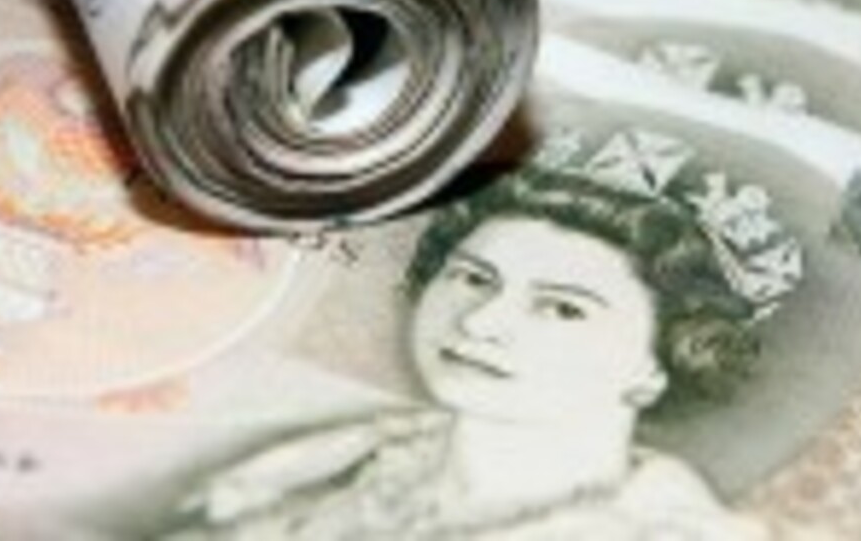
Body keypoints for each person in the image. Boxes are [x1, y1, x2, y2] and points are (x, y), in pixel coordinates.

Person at [165, 163, 803, 539]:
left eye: (562, 308)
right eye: (473, 278)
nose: (481, 321)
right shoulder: (332, 462)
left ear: (661, 361)